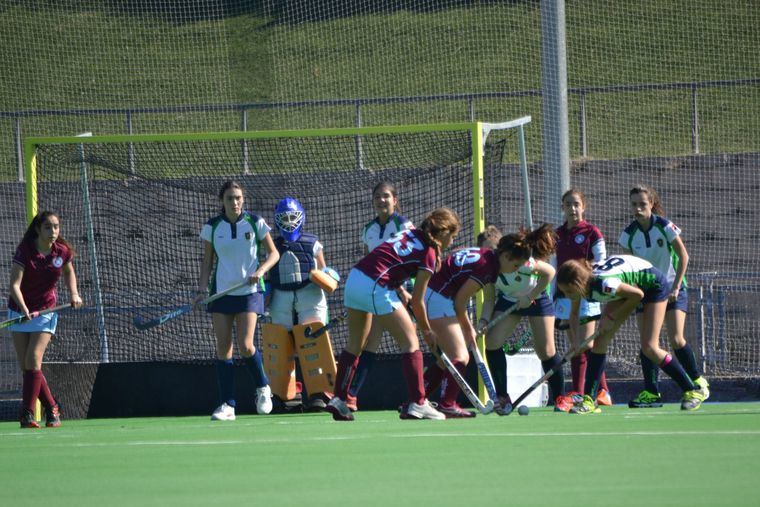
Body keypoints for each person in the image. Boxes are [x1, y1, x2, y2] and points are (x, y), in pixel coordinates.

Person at [325, 207, 461, 421]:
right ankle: (418, 403)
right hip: (375, 285)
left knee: (354, 344)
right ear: (443, 233)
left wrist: (399, 290)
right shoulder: (429, 253)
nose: (452, 242)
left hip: (355, 278)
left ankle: (339, 399)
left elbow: (391, 261)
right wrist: (428, 331)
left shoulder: (410, 233)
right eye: (452, 237)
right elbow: (418, 301)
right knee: (411, 342)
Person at [556, 255, 708, 414]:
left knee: (650, 347)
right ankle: (589, 400)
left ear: (578, 284)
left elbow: (637, 295)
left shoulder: (605, 284)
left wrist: (612, 317)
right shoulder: (579, 287)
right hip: (629, 287)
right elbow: (573, 315)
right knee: (600, 343)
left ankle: (692, 390)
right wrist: (575, 342)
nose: (567, 295)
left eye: (568, 291)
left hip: (652, 286)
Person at [195, 180, 280, 421]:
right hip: (221, 292)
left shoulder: (255, 223)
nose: (235, 202)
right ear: (222, 201)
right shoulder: (212, 227)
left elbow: (274, 253)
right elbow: (207, 261)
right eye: (230, 198)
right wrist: (202, 289)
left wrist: (261, 271)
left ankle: (263, 388)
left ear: (244, 199)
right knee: (224, 348)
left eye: (239, 198)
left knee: (246, 345)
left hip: (250, 292)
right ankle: (228, 405)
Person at [620, 184, 709, 408]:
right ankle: (651, 392)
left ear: (651, 204)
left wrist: (677, 287)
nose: (638, 208)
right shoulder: (628, 235)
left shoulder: (665, 226)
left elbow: (683, 256)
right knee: (647, 344)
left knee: (676, 339)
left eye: (642, 204)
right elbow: (630, 268)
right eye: (634, 204)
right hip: (648, 293)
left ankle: (698, 382)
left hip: (672, 288)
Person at [482, 225, 575, 414]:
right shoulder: (485, 268)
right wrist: (483, 321)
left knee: (546, 350)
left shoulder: (524, 263)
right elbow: (490, 298)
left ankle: (560, 397)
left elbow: (549, 272)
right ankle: (502, 397)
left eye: (492, 250)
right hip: (509, 299)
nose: (489, 254)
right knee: (492, 342)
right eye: (485, 250)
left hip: (537, 297)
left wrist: (531, 295)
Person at [8, 211, 84, 428]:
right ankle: (52, 409)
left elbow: (69, 273)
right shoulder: (25, 251)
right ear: (38, 230)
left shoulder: (61, 251)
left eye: (56, 227)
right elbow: (14, 285)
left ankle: (27, 414)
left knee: (33, 360)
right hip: (19, 310)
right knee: (27, 368)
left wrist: (74, 294)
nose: (53, 232)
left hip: (45, 311)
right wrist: (23, 309)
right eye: (48, 227)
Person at [346, 181, 414, 411]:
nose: (381, 200)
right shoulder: (368, 230)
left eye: (386, 196)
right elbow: (369, 263)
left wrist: (404, 290)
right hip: (379, 292)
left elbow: (411, 260)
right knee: (371, 343)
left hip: (405, 292)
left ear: (395, 200)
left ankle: (428, 395)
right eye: (377, 197)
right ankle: (350, 396)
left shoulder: (404, 225)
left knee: (418, 340)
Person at [266, 197, 334, 411]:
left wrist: (330, 278)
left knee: (313, 340)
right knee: (280, 344)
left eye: (292, 217)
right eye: (284, 218)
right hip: (280, 295)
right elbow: (267, 275)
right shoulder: (272, 246)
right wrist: (263, 299)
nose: (288, 221)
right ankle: (283, 395)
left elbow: (324, 270)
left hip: (309, 293)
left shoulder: (312, 242)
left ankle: (318, 393)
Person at [421, 243, 500, 418]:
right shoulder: (488, 266)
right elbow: (460, 302)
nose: (514, 269)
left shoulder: (483, 254)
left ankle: (416, 400)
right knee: (461, 357)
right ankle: (447, 404)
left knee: (448, 359)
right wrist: (468, 328)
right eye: (515, 265)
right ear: (507, 256)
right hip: (439, 296)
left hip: (437, 294)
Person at [554, 189, 612, 406]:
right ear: (563, 208)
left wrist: (585, 275)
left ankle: (580, 392)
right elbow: (554, 264)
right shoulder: (558, 234)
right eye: (568, 204)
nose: (572, 208)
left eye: (576, 204)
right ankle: (602, 391)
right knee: (577, 344)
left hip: (586, 294)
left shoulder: (591, 232)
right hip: (564, 295)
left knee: (585, 345)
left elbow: (602, 261)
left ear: (583, 206)